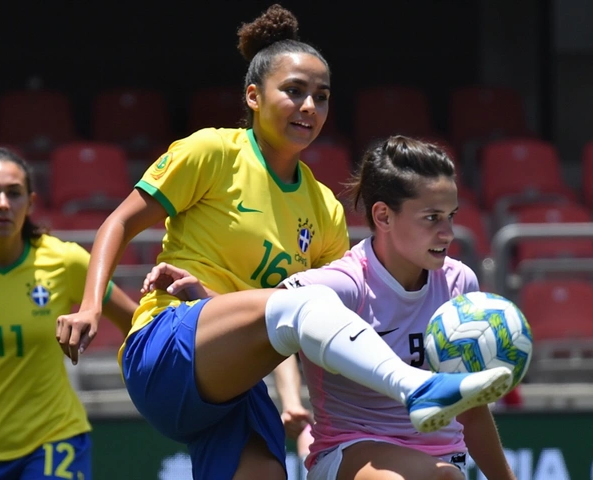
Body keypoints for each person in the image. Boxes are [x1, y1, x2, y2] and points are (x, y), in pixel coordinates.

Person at [56, 6, 511, 480]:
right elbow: (119, 223)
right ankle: (418, 388)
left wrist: (301, 414)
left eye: (322, 96)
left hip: (237, 379)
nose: (309, 107)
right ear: (253, 96)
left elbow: (320, 331)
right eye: (294, 92)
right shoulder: (212, 152)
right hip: (168, 348)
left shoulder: (324, 208)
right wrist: (91, 305)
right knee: (303, 302)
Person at [142, 135, 516, 480]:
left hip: (445, 460)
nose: (447, 232)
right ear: (383, 216)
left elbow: (470, 407)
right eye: (432, 218)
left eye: (451, 216)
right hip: (347, 456)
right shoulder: (343, 283)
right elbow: (272, 318)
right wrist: (208, 299)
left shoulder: (459, 282)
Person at [0, 147, 138, 479]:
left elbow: (135, 322)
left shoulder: (65, 260)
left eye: (14, 193)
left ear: (31, 202)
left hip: (54, 439)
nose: (2, 204)